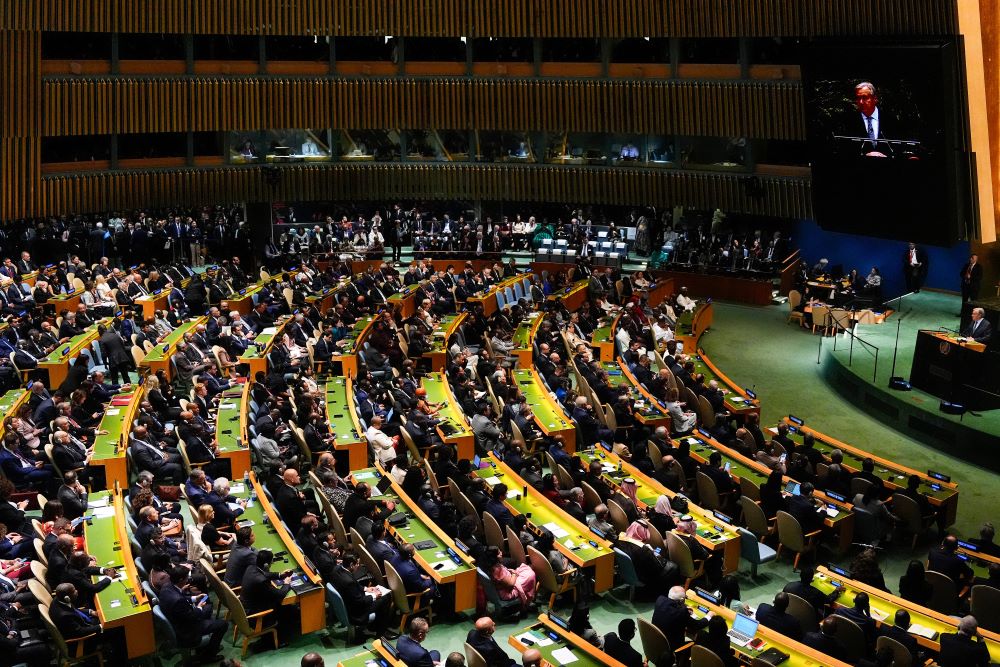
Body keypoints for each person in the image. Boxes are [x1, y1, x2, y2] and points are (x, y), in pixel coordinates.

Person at [159, 566, 227, 663]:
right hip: (187, 631)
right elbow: (193, 616)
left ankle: (207, 646)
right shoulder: (178, 601)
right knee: (223, 624)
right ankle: (210, 655)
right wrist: (199, 606)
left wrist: (195, 598)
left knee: (208, 607)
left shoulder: (167, 586)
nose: (188, 580)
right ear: (181, 580)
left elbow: (179, 595)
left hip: (178, 620)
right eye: (187, 578)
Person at [651, 585, 709, 652]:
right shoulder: (681, 613)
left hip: (656, 641)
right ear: (681, 600)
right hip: (672, 647)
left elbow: (671, 609)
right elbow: (697, 625)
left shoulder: (660, 600)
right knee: (702, 638)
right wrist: (709, 616)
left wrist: (684, 609)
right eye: (685, 598)